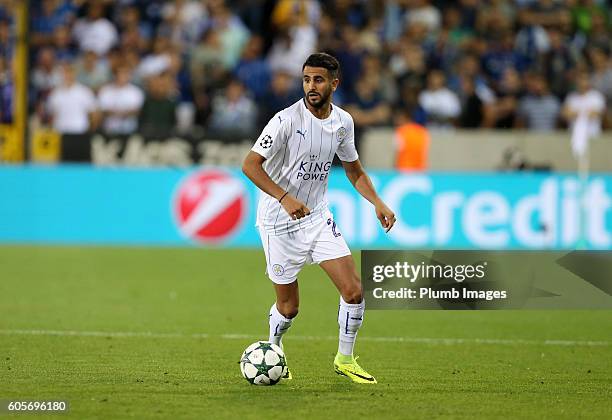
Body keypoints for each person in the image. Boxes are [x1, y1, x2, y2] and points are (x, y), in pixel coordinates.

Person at [242, 53, 396, 384]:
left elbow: (354, 171)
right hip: (277, 223)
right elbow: (250, 165)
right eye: (307, 80)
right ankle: (275, 348)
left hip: (316, 218)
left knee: (354, 290)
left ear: (334, 84)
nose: (311, 86)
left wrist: (377, 202)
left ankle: (345, 357)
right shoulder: (284, 121)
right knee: (289, 308)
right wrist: (284, 198)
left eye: (319, 80)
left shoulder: (343, 122)